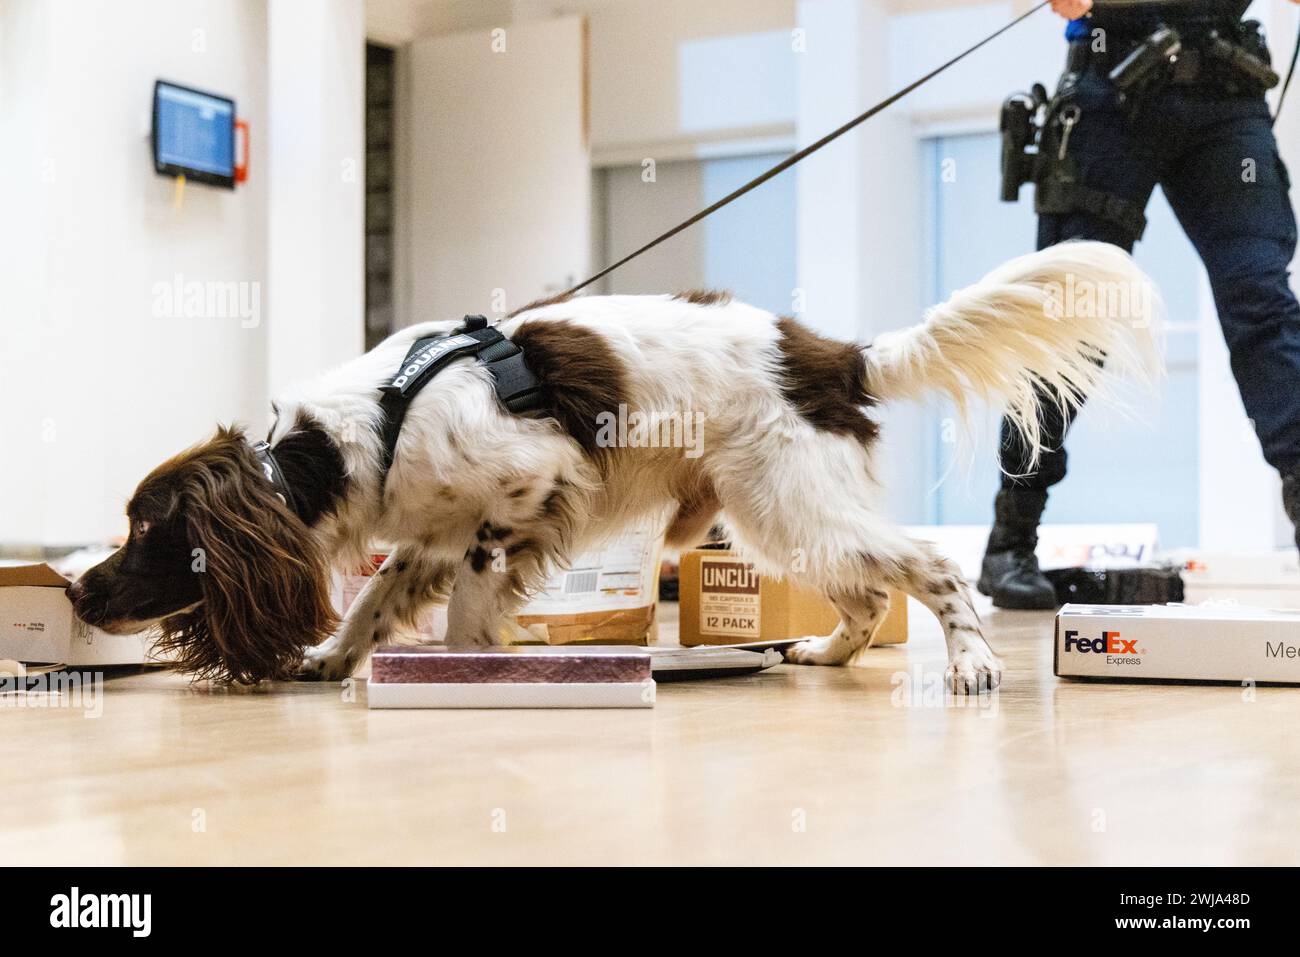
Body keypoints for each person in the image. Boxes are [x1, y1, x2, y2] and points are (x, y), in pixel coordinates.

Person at [979, 0, 1300, 609]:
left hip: (1226, 87)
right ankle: (1010, 540)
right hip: (1112, 84)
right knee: (1070, 319)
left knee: (1262, 302)